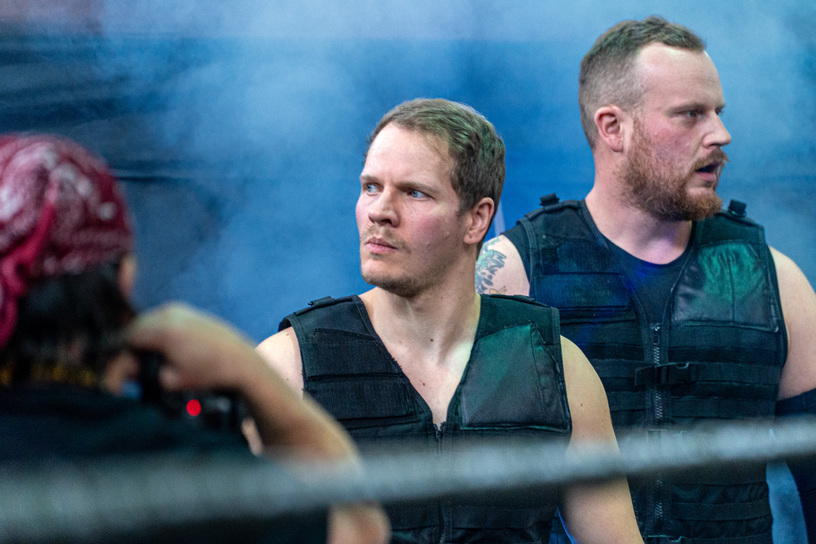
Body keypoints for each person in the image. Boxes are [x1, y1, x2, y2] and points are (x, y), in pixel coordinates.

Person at [475, 16, 816, 544]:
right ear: (613, 128)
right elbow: (459, 497)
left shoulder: (776, 281)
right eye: (690, 114)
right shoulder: (512, 272)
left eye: (718, 113)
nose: (720, 134)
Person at [257, 98, 643, 544]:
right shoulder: (288, 367)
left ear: (477, 219)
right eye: (371, 187)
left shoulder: (558, 370)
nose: (380, 211)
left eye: (414, 192)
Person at [0, 133, 389, 544]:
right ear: (124, 278)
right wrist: (250, 373)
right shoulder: (177, 468)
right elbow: (357, 529)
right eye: (371, 187)